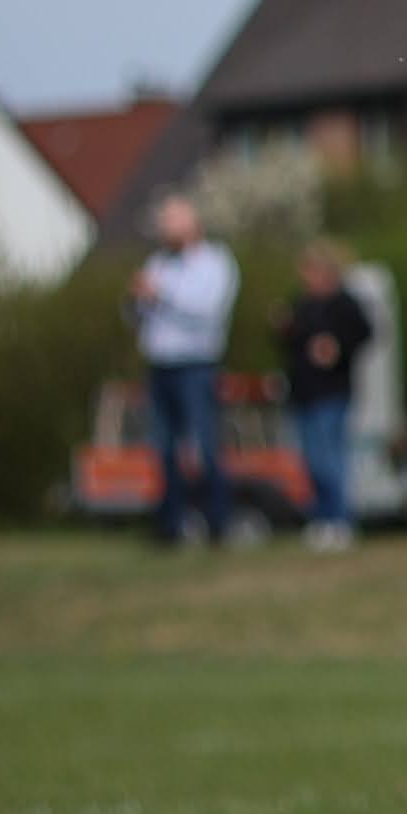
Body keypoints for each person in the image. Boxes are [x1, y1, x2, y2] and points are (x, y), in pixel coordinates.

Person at [129, 193, 238, 548]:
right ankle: (170, 525)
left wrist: (160, 297)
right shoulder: (157, 263)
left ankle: (217, 523)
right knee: (162, 448)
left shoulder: (215, 263)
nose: (164, 228)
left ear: (192, 224)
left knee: (204, 446)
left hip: (197, 366)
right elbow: (138, 316)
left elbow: (205, 312)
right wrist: (137, 301)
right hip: (161, 365)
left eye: (171, 220)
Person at [275, 241, 378, 548]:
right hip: (304, 393)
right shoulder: (303, 304)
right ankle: (321, 518)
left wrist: (336, 348)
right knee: (310, 460)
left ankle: (340, 519)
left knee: (330, 458)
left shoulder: (344, 304)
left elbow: (366, 334)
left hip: (332, 392)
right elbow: (291, 342)